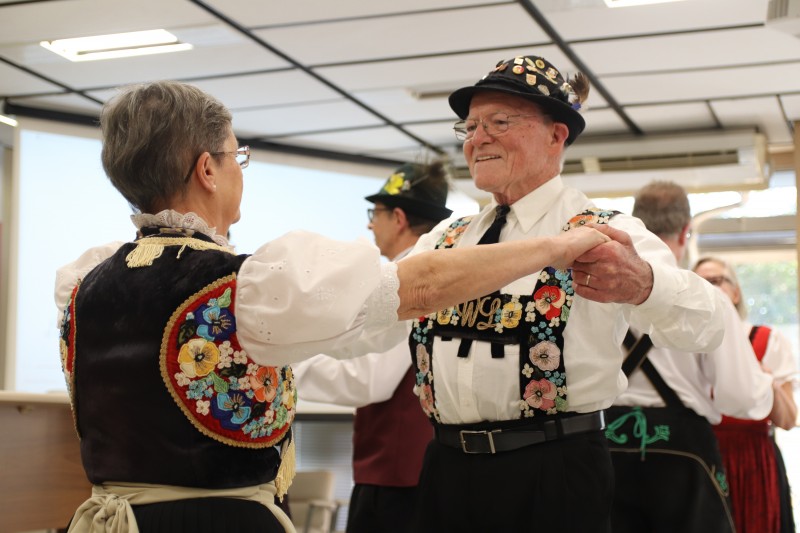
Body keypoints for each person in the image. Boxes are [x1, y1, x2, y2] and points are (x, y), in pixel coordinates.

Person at [52, 80, 610, 533]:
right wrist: (556, 245)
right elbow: (416, 286)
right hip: (219, 521)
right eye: (235, 156)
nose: (238, 170)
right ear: (207, 170)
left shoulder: (85, 279)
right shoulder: (243, 283)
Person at [403, 54, 726, 533]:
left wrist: (646, 284)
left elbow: (711, 322)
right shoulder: (444, 239)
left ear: (557, 135)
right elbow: (375, 314)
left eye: (499, 122)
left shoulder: (606, 232)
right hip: (446, 469)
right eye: (470, 126)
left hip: (554, 472)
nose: (478, 138)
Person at [607, 180, 778, 533]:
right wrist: (770, 385)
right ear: (686, 232)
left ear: (635, 224)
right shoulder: (707, 298)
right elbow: (742, 396)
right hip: (683, 455)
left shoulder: (596, 293)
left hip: (604, 446)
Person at [293, 160, 451, 533]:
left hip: (398, 480)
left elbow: (369, 379)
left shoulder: (408, 282)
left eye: (375, 213)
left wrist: (283, 365)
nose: (369, 223)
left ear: (398, 218)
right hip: (406, 474)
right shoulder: (434, 274)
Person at [694, 256, 798, 533]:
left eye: (715, 281)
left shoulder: (767, 340)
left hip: (753, 460)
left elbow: (788, 420)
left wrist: (766, 380)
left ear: (736, 292)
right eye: (699, 283)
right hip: (703, 457)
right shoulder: (683, 348)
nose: (708, 290)